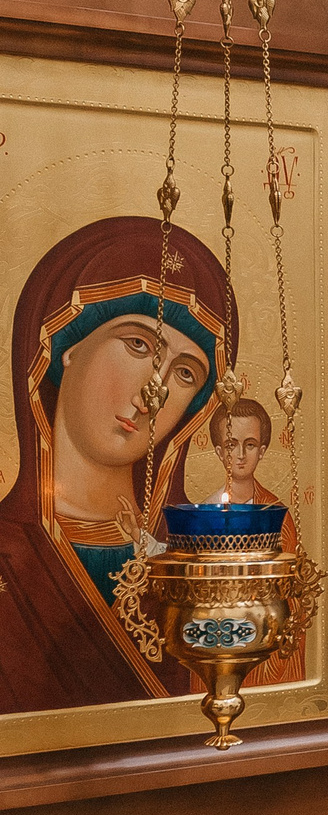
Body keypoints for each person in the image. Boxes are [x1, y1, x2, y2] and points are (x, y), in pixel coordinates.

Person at [0, 217, 232, 714]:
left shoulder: (197, 551)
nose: (154, 392)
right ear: (64, 348)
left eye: (186, 373)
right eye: (139, 344)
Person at [209, 395, 307, 686]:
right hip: (221, 631)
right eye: (230, 445)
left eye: (249, 445)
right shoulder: (206, 511)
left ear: (262, 450)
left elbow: (293, 588)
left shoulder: (277, 516)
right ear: (218, 451)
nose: (240, 455)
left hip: (265, 633)